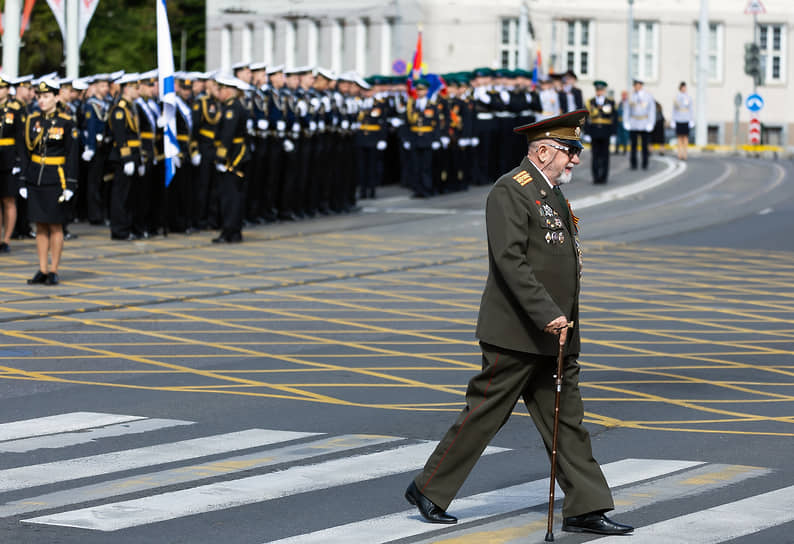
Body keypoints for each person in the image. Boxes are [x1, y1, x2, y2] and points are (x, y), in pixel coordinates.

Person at [404, 109, 633, 537]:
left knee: (567, 421)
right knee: (484, 415)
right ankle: (428, 489)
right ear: (543, 151)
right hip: (517, 332)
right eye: (570, 151)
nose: (576, 160)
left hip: (555, 334)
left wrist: (563, 320)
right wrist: (548, 313)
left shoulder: (551, 194)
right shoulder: (511, 191)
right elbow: (510, 262)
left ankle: (586, 505)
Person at [17, 78, 79, 285]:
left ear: (56, 97)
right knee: (40, 225)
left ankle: (54, 270)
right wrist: (23, 180)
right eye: (39, 97)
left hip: (56, 178)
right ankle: (42, 269)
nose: (41, 101)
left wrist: (70, 184)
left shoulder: (66, 122)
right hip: (36, 177)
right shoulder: (32, 120)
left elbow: (72, 155)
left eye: (46, 97)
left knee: (55, 225)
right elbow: (25, 152)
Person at [0, 75, 25, 253]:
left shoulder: (15, 108)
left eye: (1, 88)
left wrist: (19, 160)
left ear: (8, 90)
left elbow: (21, 137)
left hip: (9, 157)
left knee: (8, 199)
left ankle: (6, 239)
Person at [585, 80, 617, 184]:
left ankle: (604, 177)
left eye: (601, 90)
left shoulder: (610, 102)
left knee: (605, 156)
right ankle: (595, 177)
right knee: (595, 156)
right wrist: (586, 132)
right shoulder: (590, 102)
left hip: (606, 131)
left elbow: (614, 119)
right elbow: (586, 118)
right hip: (594, 132)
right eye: (598, 90)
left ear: (604, 91)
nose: (599, 92)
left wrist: (613, 133)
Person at [624, 79, 655, 170]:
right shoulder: (631, 96)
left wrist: (651, 123)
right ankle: (633, 163)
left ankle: (645, 163)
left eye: (638, 85)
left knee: (644, 145)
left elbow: (651, 110)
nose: (636, 87)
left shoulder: (648, 96)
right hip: (634, 122)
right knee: (633, 145)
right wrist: (626, 121)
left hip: (644, 122)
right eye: (635, 85)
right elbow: (627, 110)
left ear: (641, 85)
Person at [671, 81, 694, 160]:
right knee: (679, 138)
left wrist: (691, 120)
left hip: (686, 119)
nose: (684, 89)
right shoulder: (677, 97)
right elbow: (674, 110)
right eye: (683, 87)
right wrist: (673, 120)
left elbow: (691, 109)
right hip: (679, 119)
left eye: (685, 87)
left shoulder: (689, 98)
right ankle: (679, 154)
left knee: (685, 138)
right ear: (680, 88)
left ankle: (685, 154)